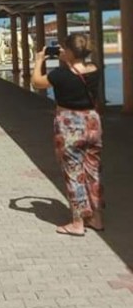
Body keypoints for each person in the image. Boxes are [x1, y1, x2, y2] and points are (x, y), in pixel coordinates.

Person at [31, 33, 104, 237]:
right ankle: (96, 218)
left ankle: (77, 222)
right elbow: (79, 70)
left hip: (69, 124)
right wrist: (69, 57)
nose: (61, 50)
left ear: (70, 51)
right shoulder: (94, 69)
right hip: (92, 122)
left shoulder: (60, 75)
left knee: (74, 173)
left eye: (64, 48)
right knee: (93, 171)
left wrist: (39, 61)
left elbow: (36, 82)